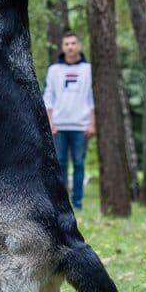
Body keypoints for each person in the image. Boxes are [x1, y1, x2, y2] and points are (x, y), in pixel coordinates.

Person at [43, 31, 96, 210]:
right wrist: (49, 122)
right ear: (62, 47)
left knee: (79, 165)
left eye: (73, 43)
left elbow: (92, 98)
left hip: (81, 126)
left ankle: (78, 202)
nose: (70, 47)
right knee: (60, 164)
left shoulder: (88, 70)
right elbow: (48, 98)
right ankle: (62, 203)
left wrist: (92, 123)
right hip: (59, 126)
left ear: (79, 46)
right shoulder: (54, 70)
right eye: (67, 44)